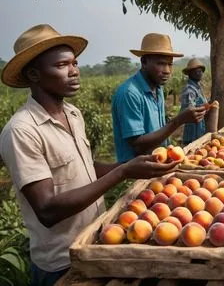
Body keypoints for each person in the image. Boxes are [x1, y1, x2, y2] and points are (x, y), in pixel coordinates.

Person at [0, 25, 180, 286]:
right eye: (62, 65)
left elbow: (86, 166)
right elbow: (47, 209)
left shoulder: (72, 114)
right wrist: (123, 173)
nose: (74, 71)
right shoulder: (21, 131)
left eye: (75, 63)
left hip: (97, 240)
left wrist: (131, 164)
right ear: (34, 74)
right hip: (61, 261)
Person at [112, 33, 206, 163]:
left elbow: (158, 132)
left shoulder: (158, 88)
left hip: (157, 165)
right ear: (144, 62)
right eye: (161, 64)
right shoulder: (130, 94)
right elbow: (138, 146)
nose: (167, 70)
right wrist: (177, 121)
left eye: (170, 64)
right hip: (136, 174)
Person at [179, 58, 208, 145]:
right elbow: (190, 111)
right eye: (198, 71)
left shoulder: (197, 87)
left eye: (201, 71)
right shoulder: (189, 90)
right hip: (193, 129)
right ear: (190, 73)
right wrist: (204, 108)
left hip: (199, 126)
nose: (200, 73)